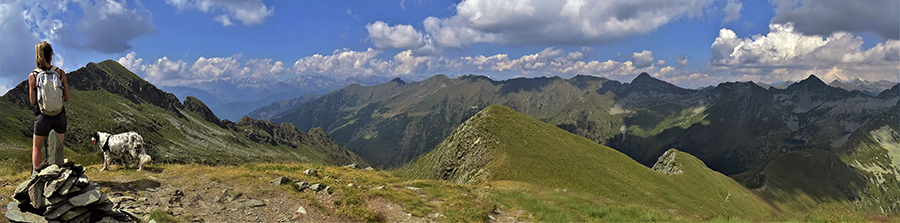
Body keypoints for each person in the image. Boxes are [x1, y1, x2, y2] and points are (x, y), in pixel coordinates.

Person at [28, 41, 69, 175]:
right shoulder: (60, 73)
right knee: (57, 148)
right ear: (51, 55)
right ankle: (57, 178)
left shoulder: (33, 76)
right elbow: (67, 98)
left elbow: (33, 101)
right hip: (59, 116)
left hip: (43, 117)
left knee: (36, 148)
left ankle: (36, 178)